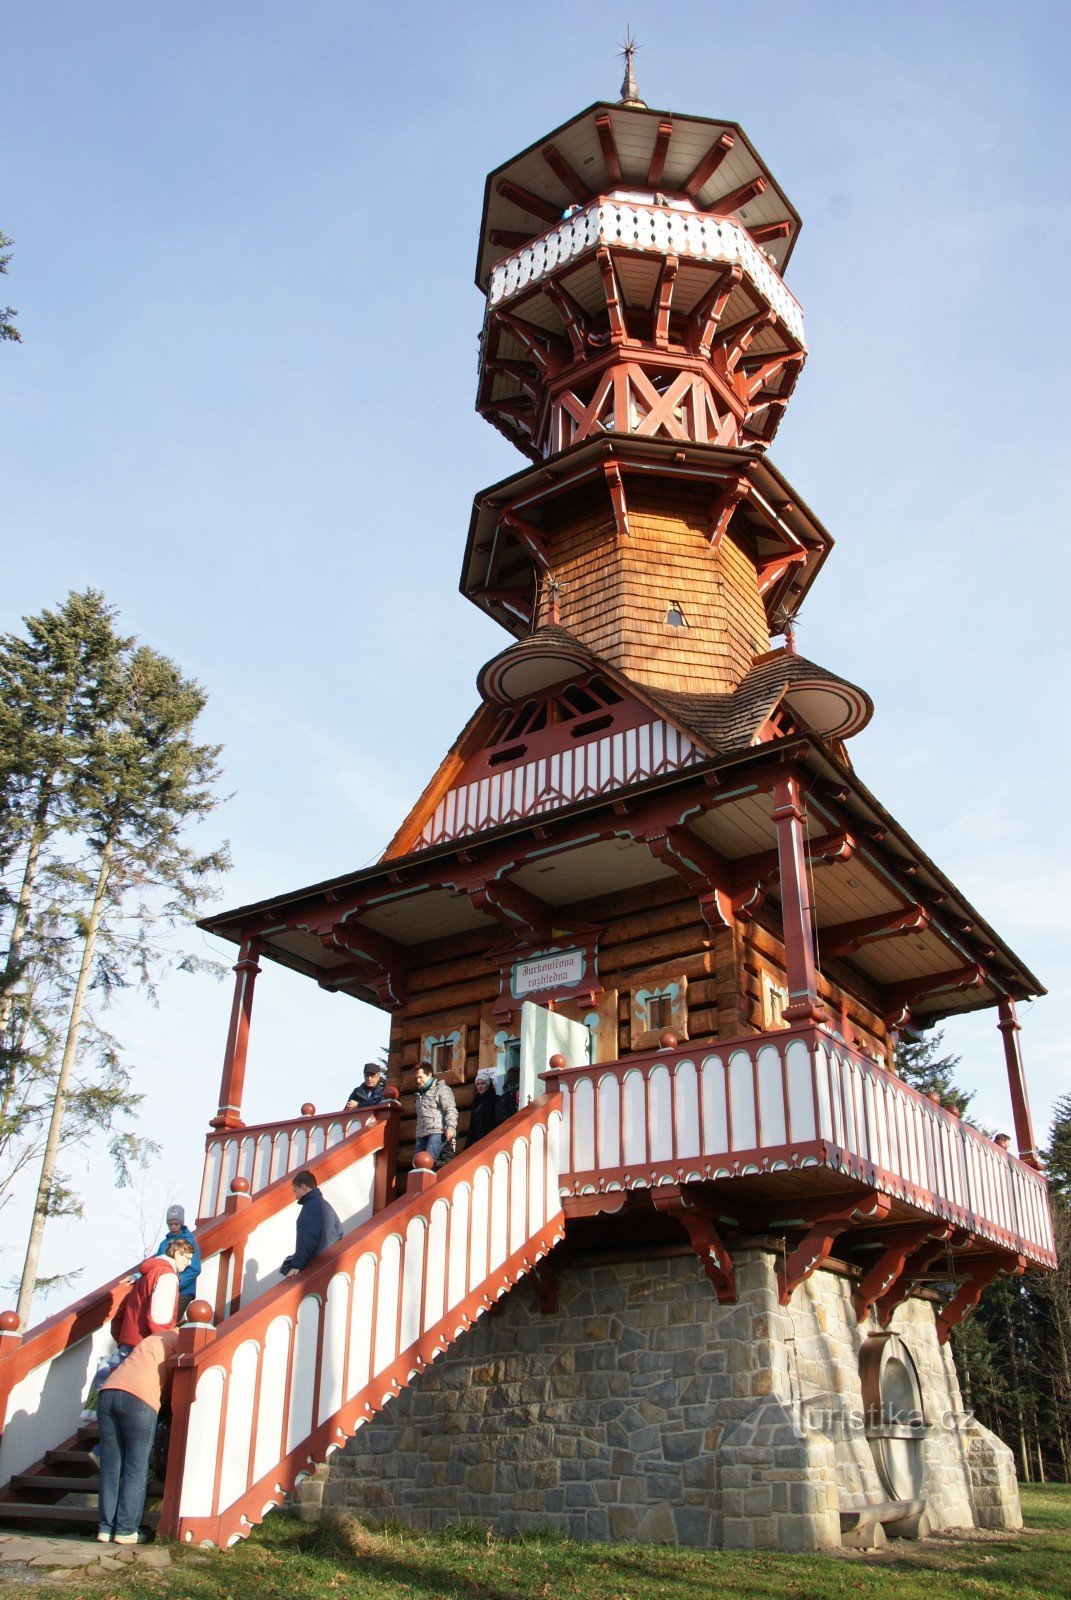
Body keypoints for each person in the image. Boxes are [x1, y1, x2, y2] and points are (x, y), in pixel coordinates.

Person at [96, 1326, 182, 1544]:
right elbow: (176, 1381)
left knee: (111, 1467)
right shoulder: (183, 1341)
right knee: (136, 1467)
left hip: (108, 1393)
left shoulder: (156, 1339)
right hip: (140, 1398)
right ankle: (126, 1529)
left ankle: (105, 1528)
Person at [111, 1239, 195, 1356]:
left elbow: (122, 1311)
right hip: (145, 1348)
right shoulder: (167, 1277)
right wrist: (165, 1348)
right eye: (187, 1258)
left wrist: (122, 1338)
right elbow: (160, 1318)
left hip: (127, 1343)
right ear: (177, 1253)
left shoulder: (147, 1273)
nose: (189, 1263)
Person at [281, 1171, 342, 1278]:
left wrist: (297, 1265)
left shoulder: (310, 1208)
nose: (295, 1197)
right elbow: (339, 1232)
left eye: (295, 1191)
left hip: (316, 1268)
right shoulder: (326, 1206)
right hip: (329, 1265)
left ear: (303, 1187)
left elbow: (307, 1239)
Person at [154, 1205, 201, 1319]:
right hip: (165, 1288)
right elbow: (157, 1263)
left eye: (176, 1224)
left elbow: (195, 1269)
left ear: (181, 1223)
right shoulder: (164, 1244)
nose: (173, 1227)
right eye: (170, 1224)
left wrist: (175, 1283)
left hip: (184, 1291)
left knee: (173, 1318)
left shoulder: (190, 1242)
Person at [414, 1062, 457, 1163]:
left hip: (437, 1131)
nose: (418, 1080)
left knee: (428, 1162)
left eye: (420, 1077)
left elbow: (450, 1109)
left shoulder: (441, 1089)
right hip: (421, 1134)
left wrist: (451, 1128)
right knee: (418, 1163)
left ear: (429, 1075)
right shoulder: (419, 1094)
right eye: (416, 1077)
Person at [465, 1070, 499, 1148]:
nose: (480, 1086)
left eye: (482, 1083)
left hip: (489, 1138)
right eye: (477, 1084)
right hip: (475, 1140)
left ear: (488, 1084)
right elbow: (472, 1123)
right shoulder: (475, 1102)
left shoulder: (495, 1100)